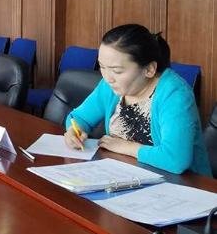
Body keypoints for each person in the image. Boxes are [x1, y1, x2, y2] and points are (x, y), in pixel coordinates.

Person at [64, 24, 211, 176]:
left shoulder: (174, 94)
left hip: (182, 183)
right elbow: (80, 117)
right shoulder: (110, 86)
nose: (107, 78)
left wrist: (126, 147)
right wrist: (74, 131)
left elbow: (175, 160)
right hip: (123, 174)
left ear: (149, 69)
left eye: (117, 70)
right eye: (102, 67)